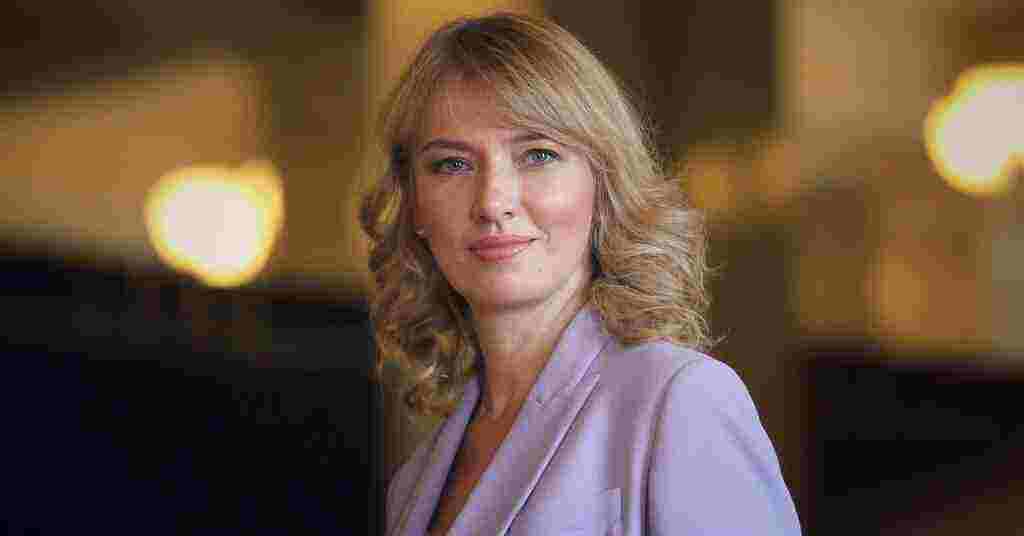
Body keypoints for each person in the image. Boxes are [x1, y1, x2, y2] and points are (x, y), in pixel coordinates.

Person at [360, 12, 801, 535]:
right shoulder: (414, 482)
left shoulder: (680, 400)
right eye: (452, 164)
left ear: (603, 185)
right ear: (414, 205)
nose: (493, 202)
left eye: (537, 155)